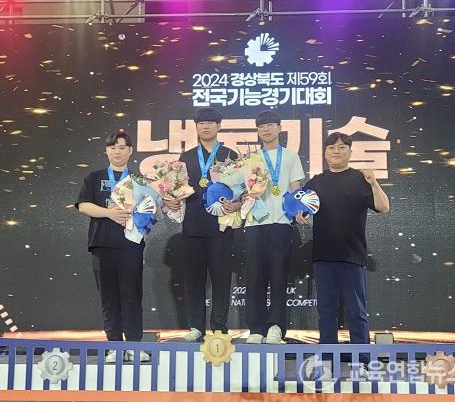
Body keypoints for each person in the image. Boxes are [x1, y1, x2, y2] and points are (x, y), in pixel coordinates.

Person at [296, 132, 390, 374]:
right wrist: (299, 215)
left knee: (357, 311)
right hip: (323, 257)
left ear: (350, 151)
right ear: (325, 153)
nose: (336, 151)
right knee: (326, 312)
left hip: (352, 257)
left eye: (341, 147)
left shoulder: (361, 179)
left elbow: (383, 207)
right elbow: (299, 211)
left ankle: (363, 363)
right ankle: (328, 363)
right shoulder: (316, 182)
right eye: (331, 148)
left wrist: (374, 182)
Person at [164, 107, 240, 342]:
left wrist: (237, 203)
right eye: (201, 123)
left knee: (221, 279)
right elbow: (176, 190)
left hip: (221, 227)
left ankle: (219, 327)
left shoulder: (230, 155)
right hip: (193, 227)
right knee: (193, 279)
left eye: (210, 123)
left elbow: (241, 189)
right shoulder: (185, 158)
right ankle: (196, 326)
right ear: (196, 127)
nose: (205, 127)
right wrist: (172, 201)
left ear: (219, 126)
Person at [76, 130, 150, 363]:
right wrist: (109, 213)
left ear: (130, 151)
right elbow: (83, 205)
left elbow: (150, 209)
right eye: (113, 147)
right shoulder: (94, 177)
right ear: (106, 151)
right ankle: (114, 347)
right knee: (109, 298)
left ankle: (134, 345)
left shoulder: (139, 181)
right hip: (102, 245)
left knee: (132, 296)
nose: (117, 152)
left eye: (122, 147)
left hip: (131, 245)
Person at [244, 110, 305, 345]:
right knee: (254, 277)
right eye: (261, 127)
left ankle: (276, 327)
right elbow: (241, 189)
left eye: (270, 125)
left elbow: (295, 188)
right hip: (255, 222)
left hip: (281, 223)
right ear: (257, 131)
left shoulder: (290, 156)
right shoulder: (250, 159)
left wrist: (297, 211)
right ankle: (255, 328)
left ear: (279, 128)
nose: (266, 130)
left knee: (279, 277)